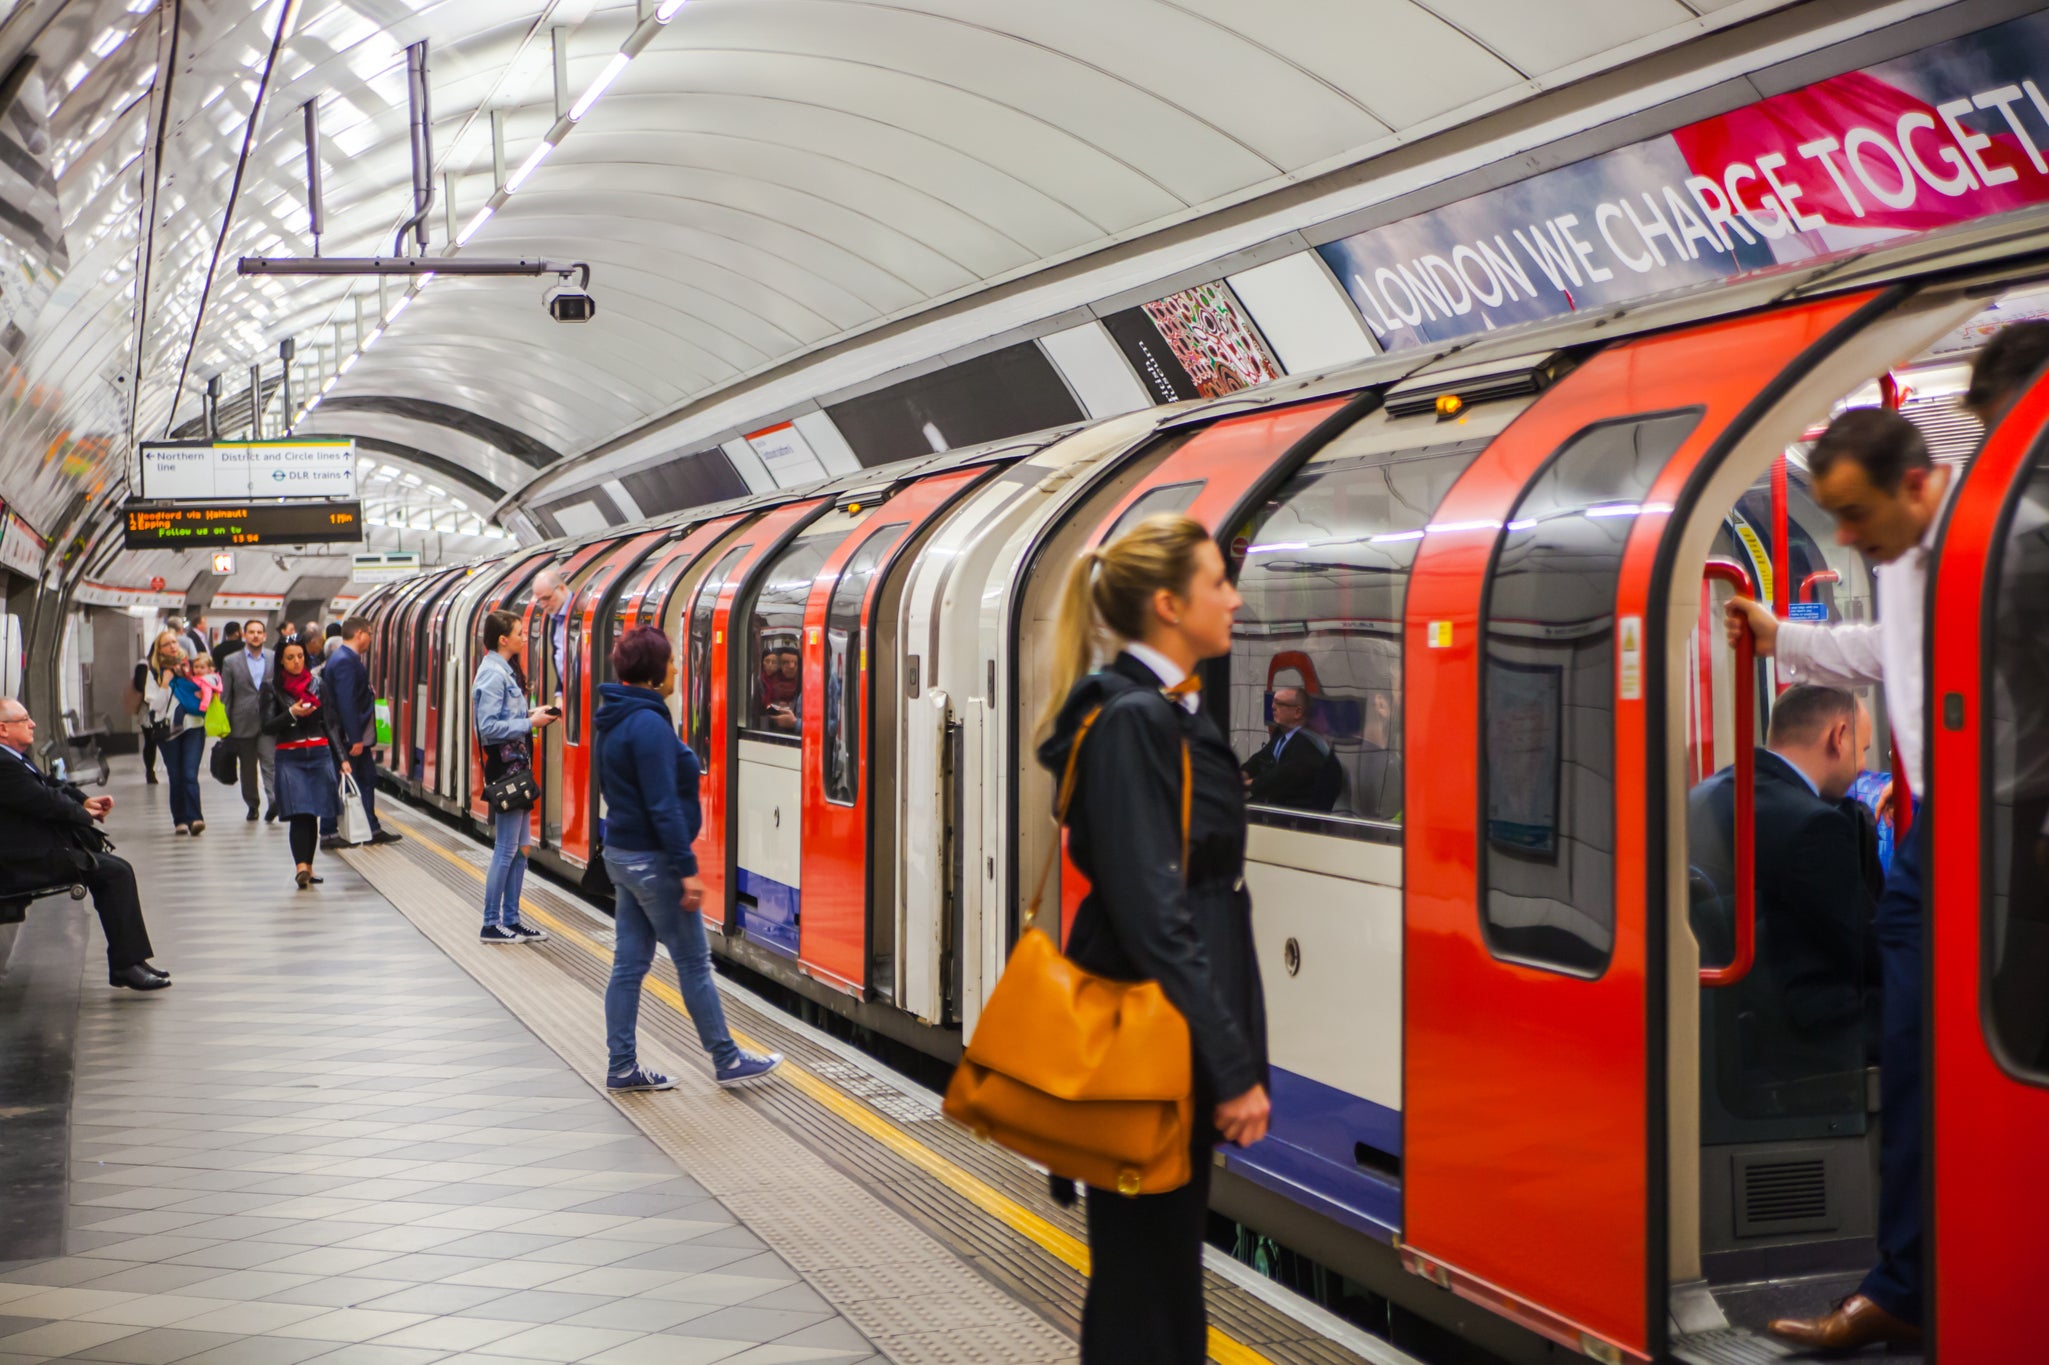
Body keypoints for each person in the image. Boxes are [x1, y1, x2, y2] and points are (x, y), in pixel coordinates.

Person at [1728, 408, 1948, 1351]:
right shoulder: (1905, 561)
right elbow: (1883, 656)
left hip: (1996, 824)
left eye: (1852, 514)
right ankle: (1908, 1277)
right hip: (1946, 825)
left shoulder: (1998, 550)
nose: (1845, 539)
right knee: (1914, 1059)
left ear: (1916, 486)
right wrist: (1783, 638)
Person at [1035, 513, 1270, 1364]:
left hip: (1159, 1038)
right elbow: (1154, 912)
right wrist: (1231, 1065)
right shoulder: (1137, 720)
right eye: (1218, 583)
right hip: (1147, 1041)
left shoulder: (1157, 712)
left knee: (1160, 1277)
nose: (1233, 600)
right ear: (1169, 604)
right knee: (1144, 1285)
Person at [595, 625, 781, 1091]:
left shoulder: (613, 717)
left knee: (629, 965)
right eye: (672, 662)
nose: (677, 668)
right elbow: (661, 806)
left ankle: (622, 1066)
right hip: (654, 860)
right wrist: (687, 869)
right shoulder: (649, 725)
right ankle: (726, 1058)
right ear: (656, 674)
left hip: (621, 852)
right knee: (694, 962)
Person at [1688, 686, 1880, 1084]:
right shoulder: (1816, 827)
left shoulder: (1704, 796)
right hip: (1801, 1039)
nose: (1863, 766)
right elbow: (1866, 953)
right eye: (1862, 750)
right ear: (1838, 736)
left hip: (1726, 1033)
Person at [0, 700, 170, 990]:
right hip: (19, 861)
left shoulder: (12, 757)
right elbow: (44, 802)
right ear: (3, 728)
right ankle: (126, 965)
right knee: (114, 872)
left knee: (115, 870)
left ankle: (130, 962)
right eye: (25, 719)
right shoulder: (3, 764)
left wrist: (84, 801)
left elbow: (50, 785)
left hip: (30, 850)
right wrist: (84, 815)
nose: (33, 724)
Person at [473, 609, 554, 943]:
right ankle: (491, 923)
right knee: (506, 849)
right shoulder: (493, 674)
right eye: (519, 632)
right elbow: (488, 727)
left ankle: (512, 918)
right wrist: (528, 724)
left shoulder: (502, 671)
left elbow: (505, 716)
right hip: (506, 770)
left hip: (517, 768)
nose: (524, 637)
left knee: (521, 849)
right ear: (503, 639)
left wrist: (533, 714)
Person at [262, 639, 342, 889]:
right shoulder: (271, 689)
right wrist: (292, 713)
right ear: (281, 662)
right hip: (290, 757)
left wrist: (343, 758)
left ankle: (309, 866)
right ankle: (301, 867)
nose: (296, 661)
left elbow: (330, 723)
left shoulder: (318, 684)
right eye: (290, 657)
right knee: (299, 811)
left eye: (300, 656)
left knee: (313, 812)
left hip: (319, 755)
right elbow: (267, 725)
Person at [322, 617, 400, 845]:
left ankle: (371, 828)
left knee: (366, 778)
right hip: (350, 736)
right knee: (345, 780)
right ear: (360, 634)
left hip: (353, 734)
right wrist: (354, 738)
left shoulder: (343, 658)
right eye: (370, 634)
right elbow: (346, 702)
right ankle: (329, 831)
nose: (371, 639)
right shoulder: (346, 660)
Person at [1240, 686, 1342, 812]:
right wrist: (1242, 773)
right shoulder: (1281, 735)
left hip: (1298, 815)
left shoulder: (1309, 744)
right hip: (1275, 805)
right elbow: (1260, 758)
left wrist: (1244, 784)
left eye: (1279, 703)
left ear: (1297, 712)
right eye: (1273, 701)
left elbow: (1280, 777)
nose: (1273, 707)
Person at [144, 642, 207, 836]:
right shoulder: (154, 673)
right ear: (159, 650)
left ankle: (196, 818)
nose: (172, 646)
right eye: (167, 644)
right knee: (176, 775)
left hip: (194, 726)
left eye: (174, 643)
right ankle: (180, 819)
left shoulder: (191, 669)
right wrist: (165, 683)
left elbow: (208, 686)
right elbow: (155, 705)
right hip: (168, 729)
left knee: (189, 773)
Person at [220, 620, 276, 821]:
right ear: (245, 635)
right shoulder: (231, 661)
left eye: (259, 632)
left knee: (270, 763)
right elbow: (225, 696)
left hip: (268, 721)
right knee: (247, 768)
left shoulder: (273, 658)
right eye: (251, 632)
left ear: (265, 635)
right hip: (241, 721)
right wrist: (224, 725)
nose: (255, 636)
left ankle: (273, 801)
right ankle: (252, 804)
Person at [532, 567, 570, 705]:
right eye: (539, 600)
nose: (543, 605)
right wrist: (560, 692)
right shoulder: (555, 619)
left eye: (547, 598)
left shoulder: (580, 611)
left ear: (561, 588)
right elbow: (561, 658)